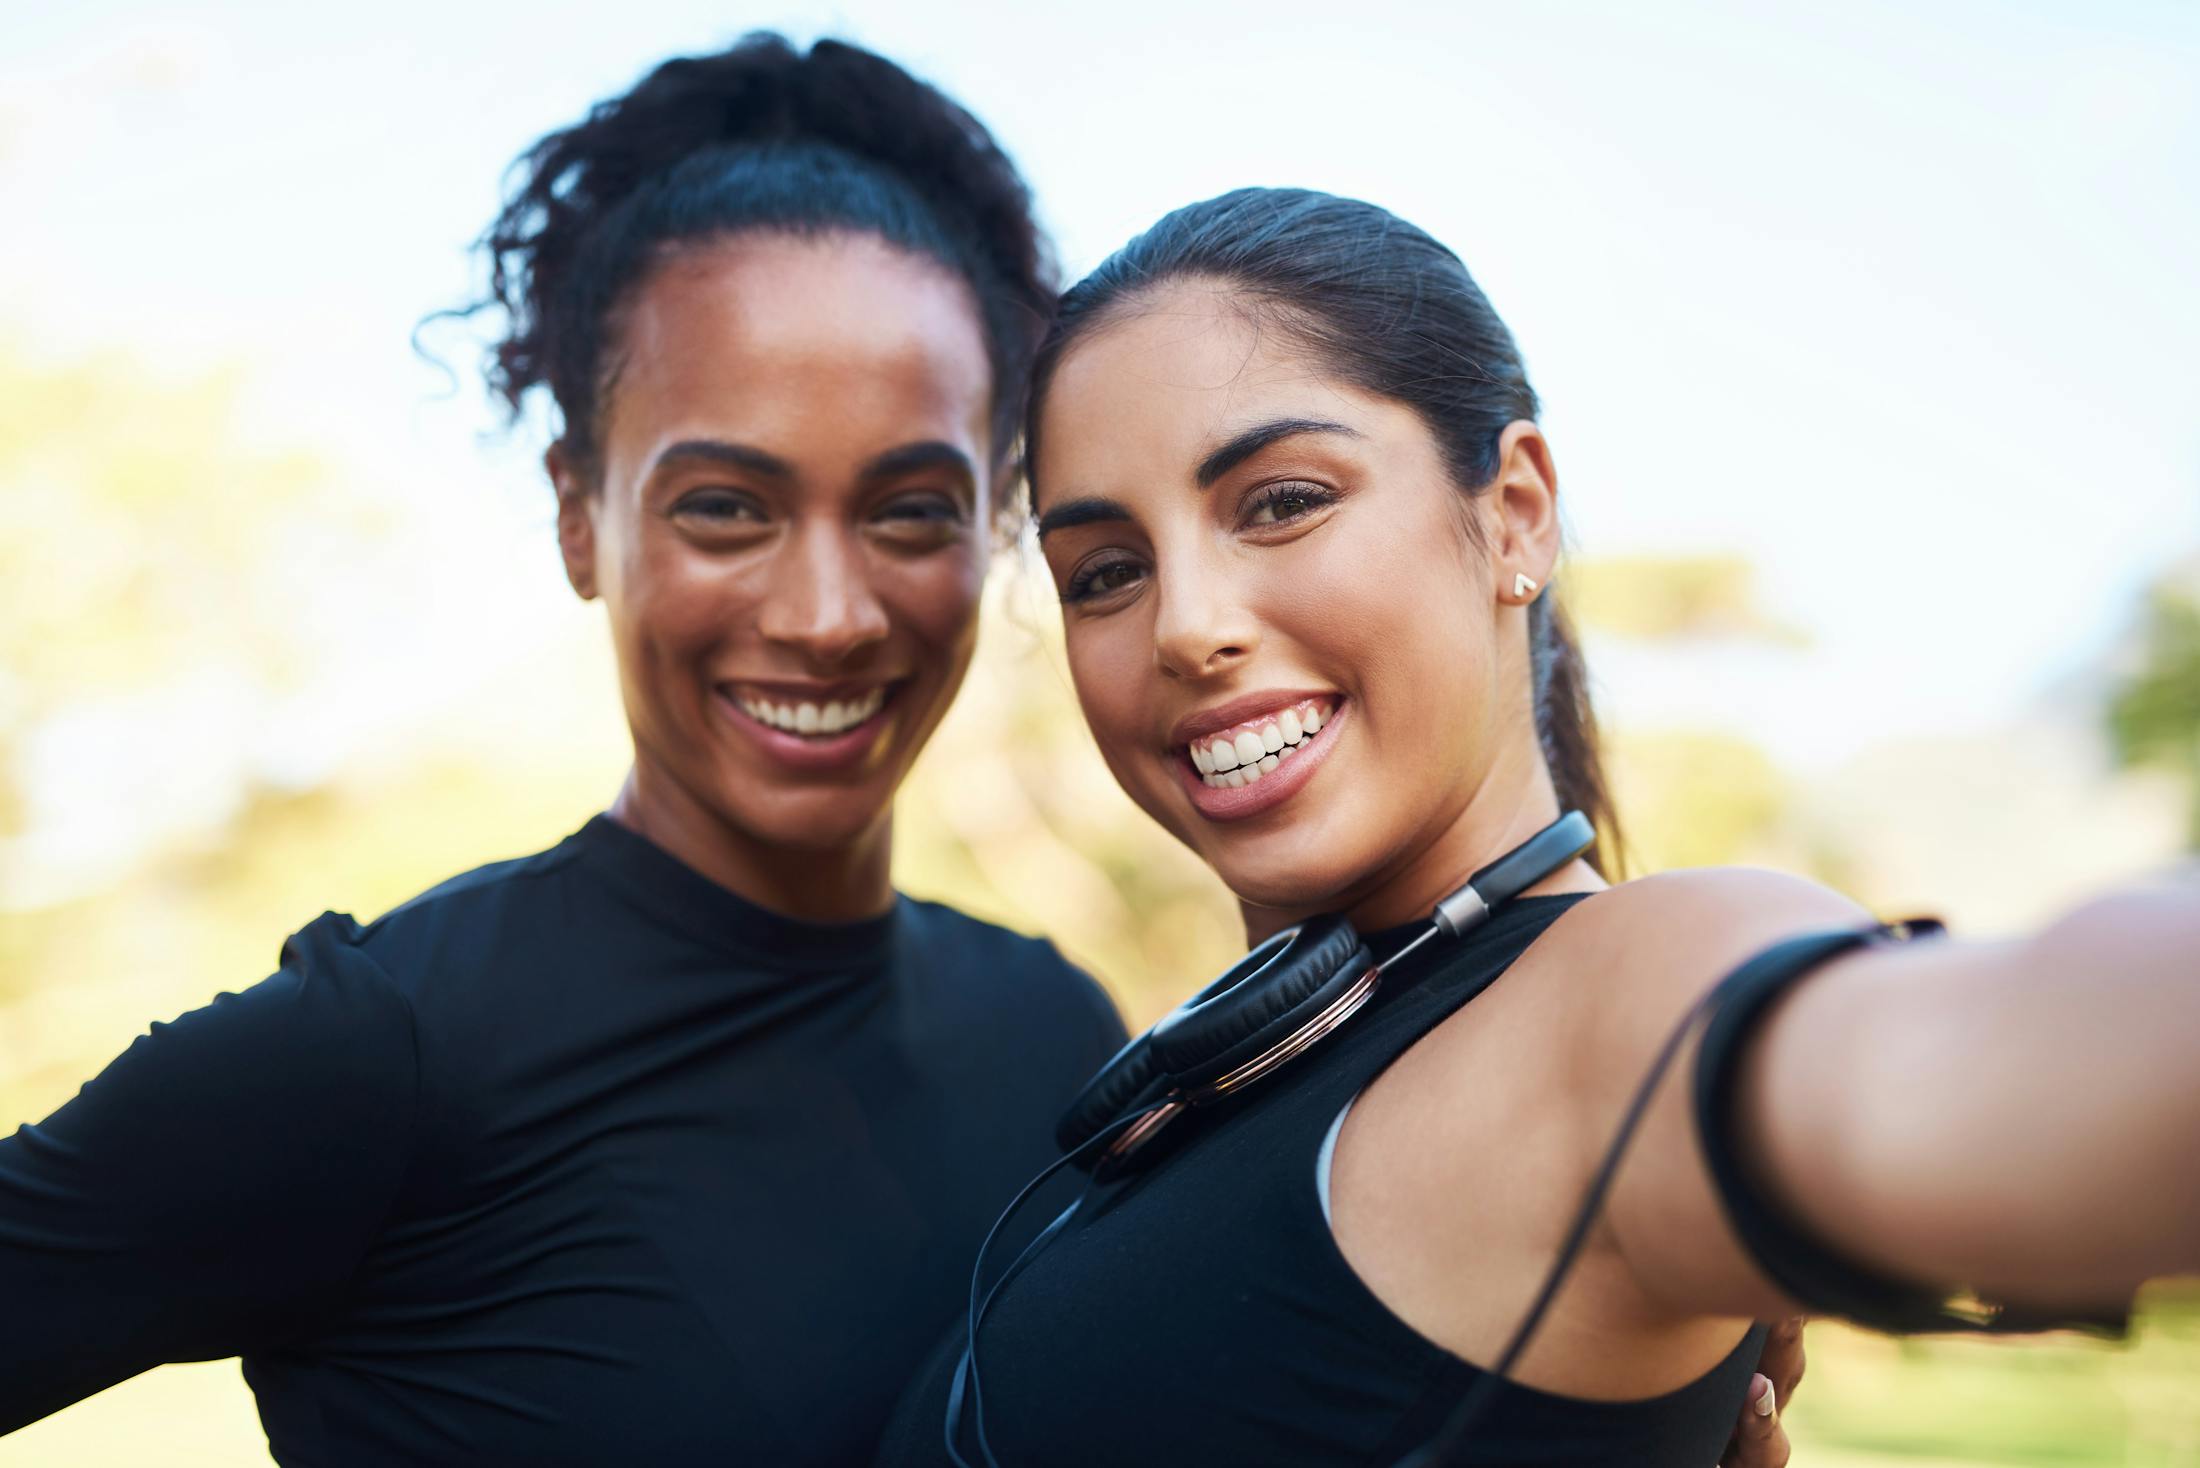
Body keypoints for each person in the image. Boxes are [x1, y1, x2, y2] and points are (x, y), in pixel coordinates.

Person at [875, 187, 2200, 1467]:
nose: (1185, 624)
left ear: (1514, 513)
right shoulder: (1232, 1075)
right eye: (1107, 571)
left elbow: (2010, 1060)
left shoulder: (1620, 1003)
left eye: (1282, 501)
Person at [0, 36, 1129, 1467]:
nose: (831, 616)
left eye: (911, 510)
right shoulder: (374, 1059)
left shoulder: (1054, 1033)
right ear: (580, 515)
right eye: (726, 507)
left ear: (995, 526)